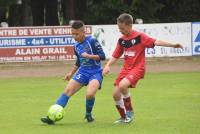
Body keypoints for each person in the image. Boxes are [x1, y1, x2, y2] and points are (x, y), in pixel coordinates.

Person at [103, 13, 183, 124]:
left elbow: (156, 42)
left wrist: (173, 45)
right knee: (115, 94)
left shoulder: (140, 37)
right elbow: (116, 55)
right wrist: (107, 65)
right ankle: (124, 118)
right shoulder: (121, 40)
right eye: (119, 28)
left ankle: (129, 111)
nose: (120, 30)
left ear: (129, 25)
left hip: (138, 68)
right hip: (125, 69)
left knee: (122, 85)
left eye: (122, 28)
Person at [41, 20, 106, 124]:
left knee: (90, 94)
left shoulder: (93, 41)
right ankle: (51, 117)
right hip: (83, 72)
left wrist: (89, 56)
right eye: (72, 34)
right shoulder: (76, 46)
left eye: (76, 34)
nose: (74, 36)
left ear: (83, 32)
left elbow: (103, 56)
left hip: (95, 72)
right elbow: (79, 61)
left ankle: (88, 115)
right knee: (67, 92)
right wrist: (70, 73)